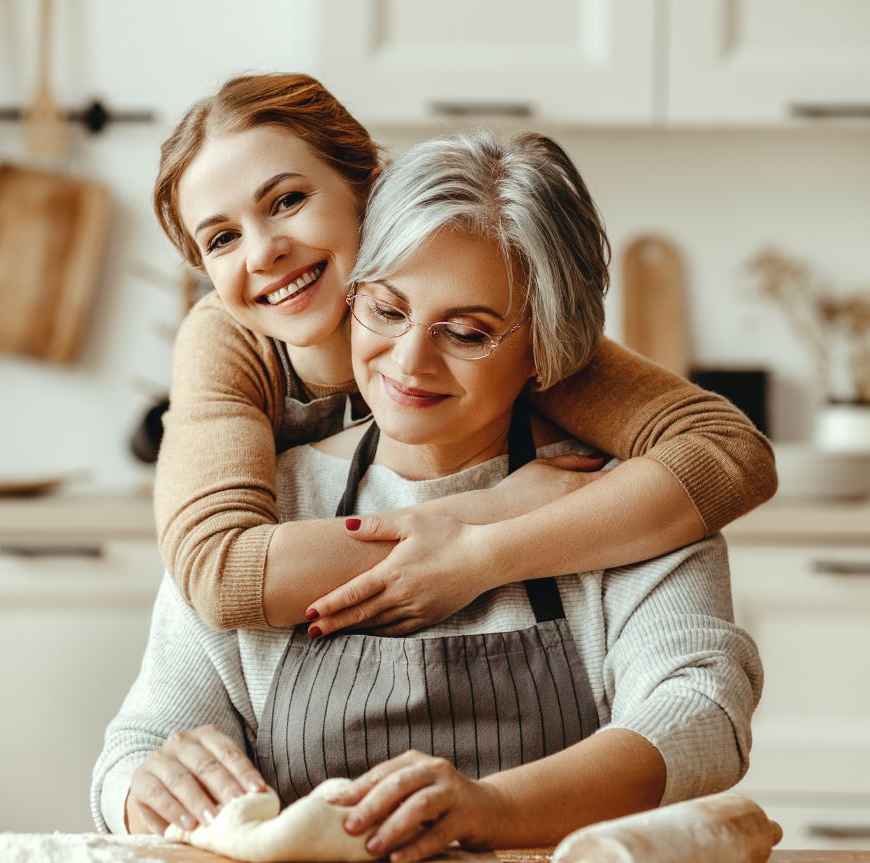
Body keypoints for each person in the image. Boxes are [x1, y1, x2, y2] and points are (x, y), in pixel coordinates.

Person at [94, 131, 764, 863]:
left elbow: (702, 715)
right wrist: (142, 788)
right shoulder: (269, 503)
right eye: (385, 310)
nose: (409, 361)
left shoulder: (621, 501)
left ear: (546, 345)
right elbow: (136, 746)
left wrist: (494, 807)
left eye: (468, 331)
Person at [150, 73, 777, 638]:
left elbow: (728, 454)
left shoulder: (478, 331)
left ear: (371, 188)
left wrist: (487, 557)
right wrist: (492, 509)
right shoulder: (226, 342)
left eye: (287, 201)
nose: (262, 253)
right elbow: (221, 571)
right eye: (223, 238)